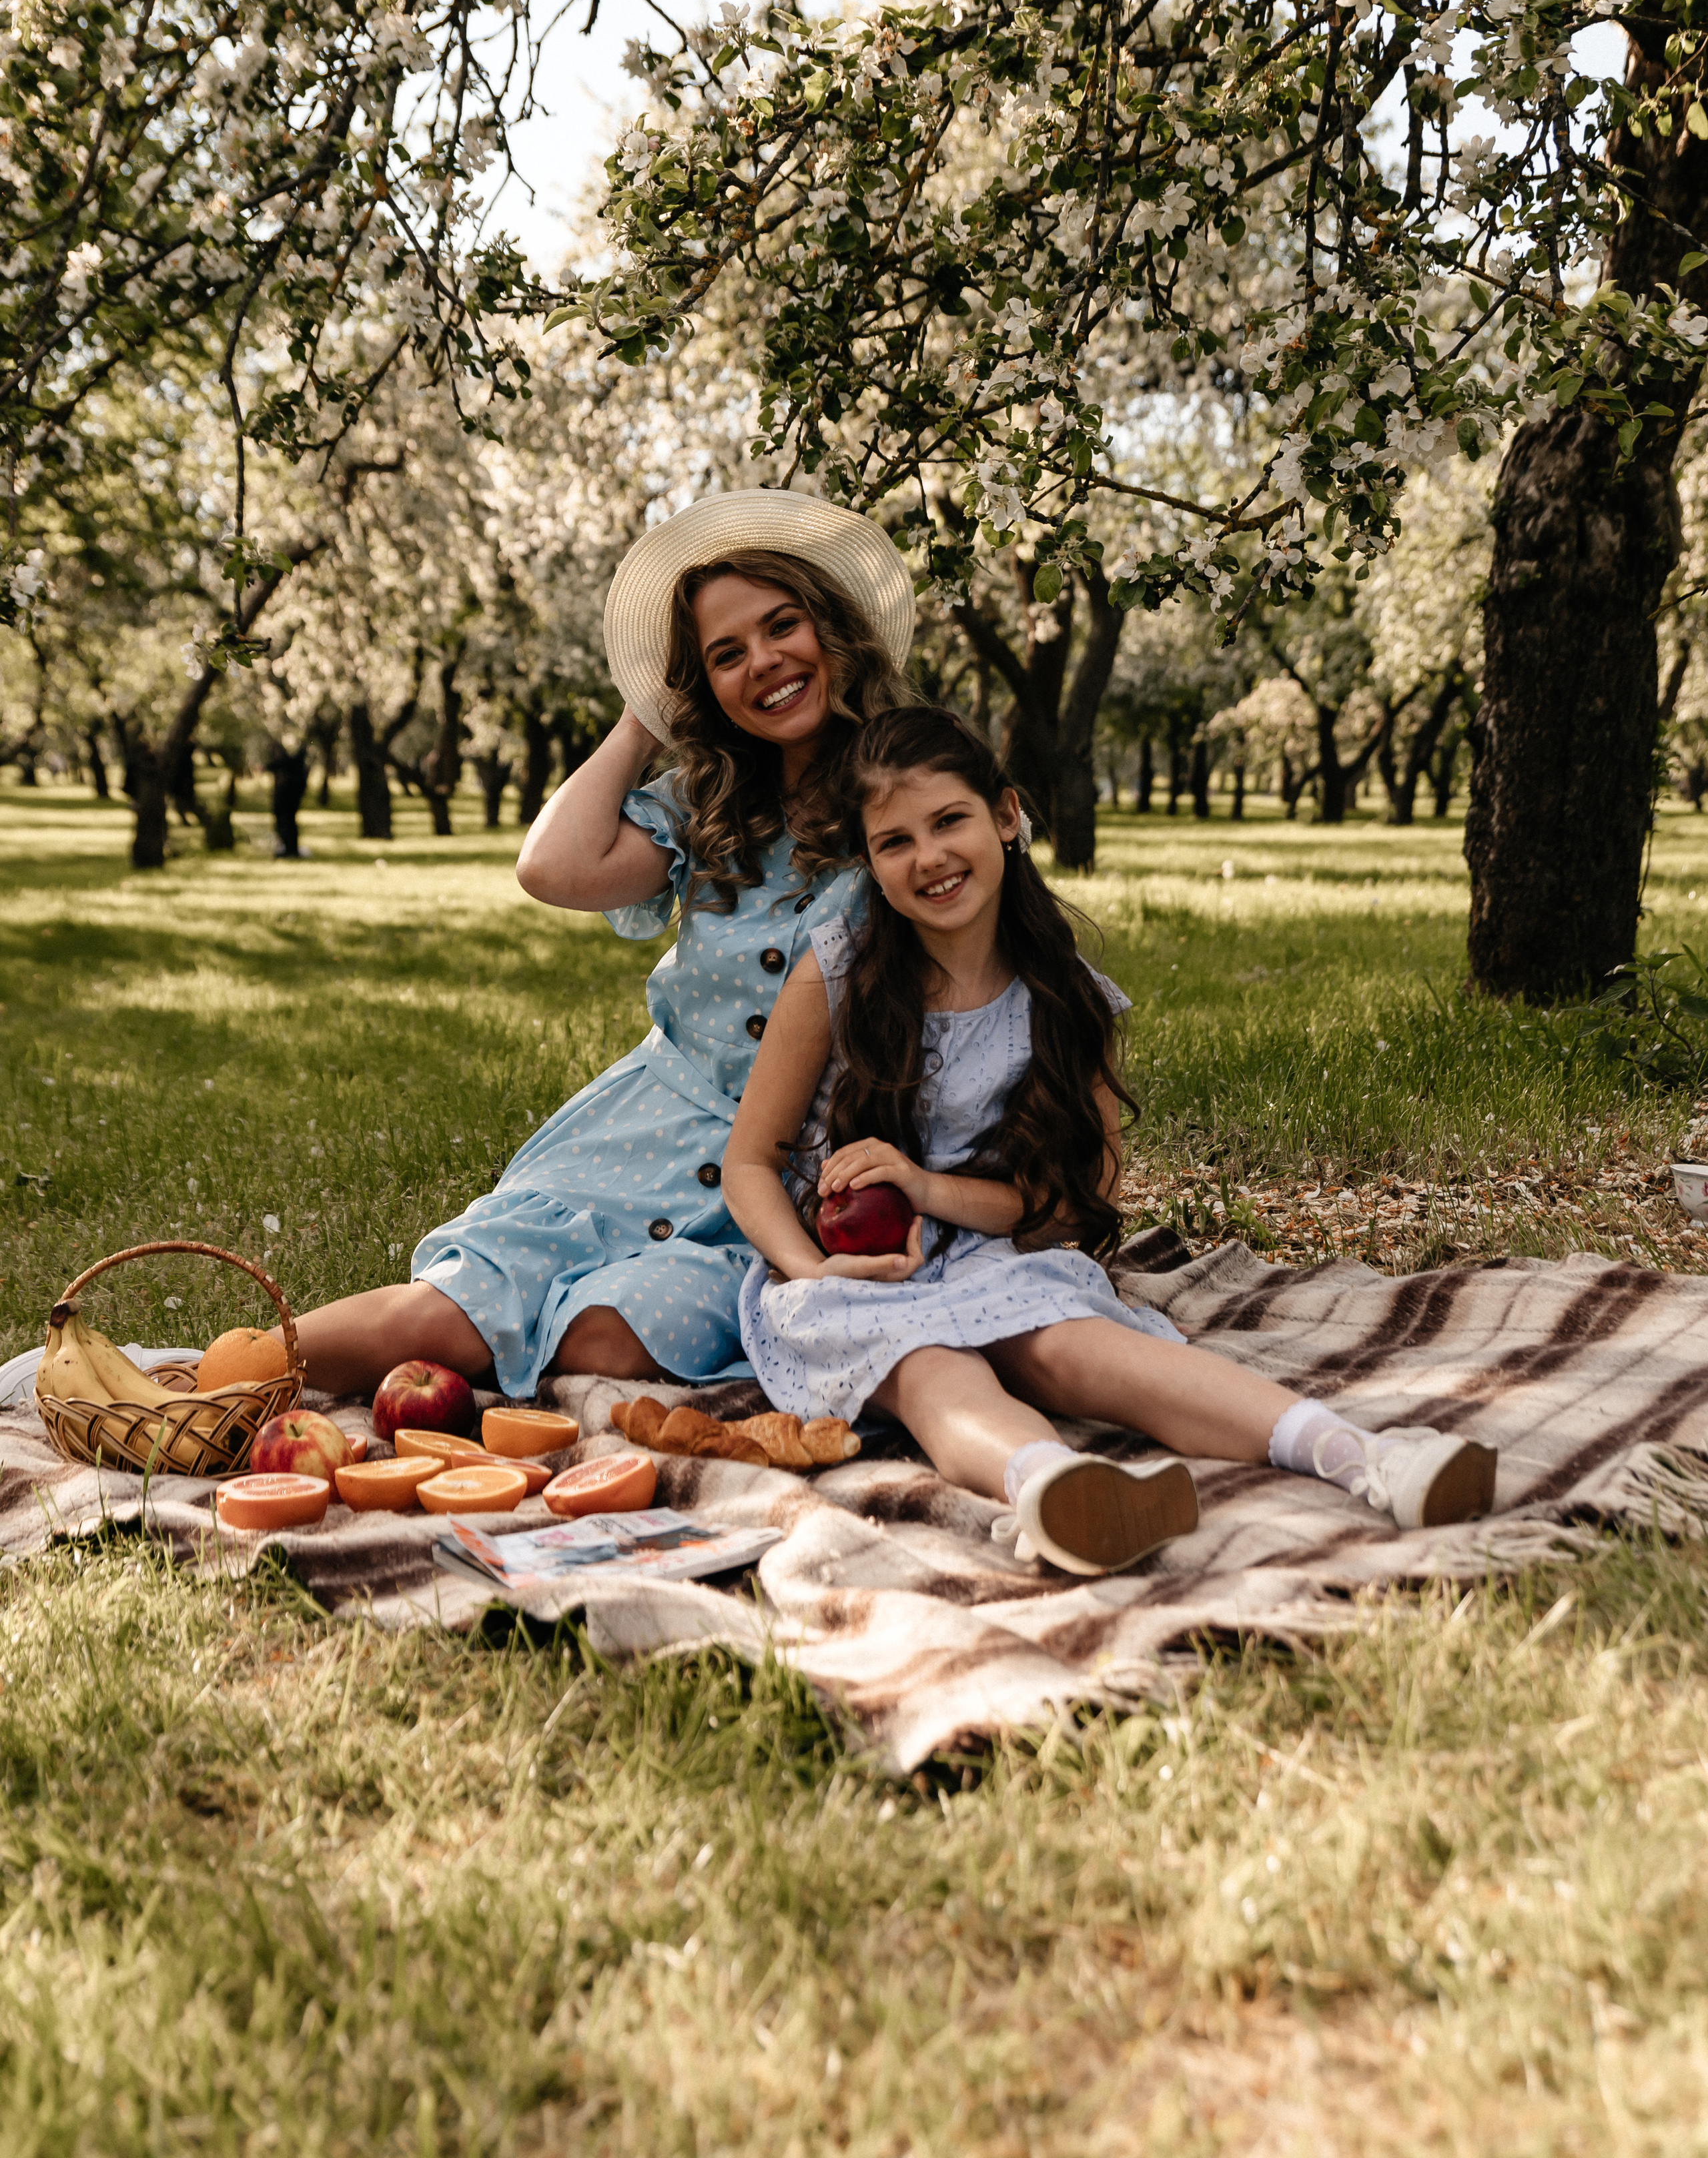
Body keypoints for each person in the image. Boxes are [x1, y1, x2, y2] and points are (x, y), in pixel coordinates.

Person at [723, 706, 1501, 1577]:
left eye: (950, 821)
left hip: (999, 1249)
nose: (930, 857)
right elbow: (749, 1162)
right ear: (869, 861)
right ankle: (1055, 1487)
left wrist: (929, 1188)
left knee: (1079, 1345)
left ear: (1007, 817)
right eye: (895, 840)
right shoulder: (840, 970)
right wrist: (812, 1268)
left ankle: (1371, 1460)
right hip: (855, 1274)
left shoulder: (1063, 997)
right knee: (933, 1369)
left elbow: (1059, 1206)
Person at [292, 489, 915, 1397]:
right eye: (725, 656)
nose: (765, 663)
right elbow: (553, 867)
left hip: (781, 1183)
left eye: (785, 626)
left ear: (836, 627)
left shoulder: (910, 795)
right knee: (444, 1316)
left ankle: (467, 1371)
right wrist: (645, 712)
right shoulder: (710, 807)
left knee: (609, 1336)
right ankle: (199, 1384)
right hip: (640, 1139)